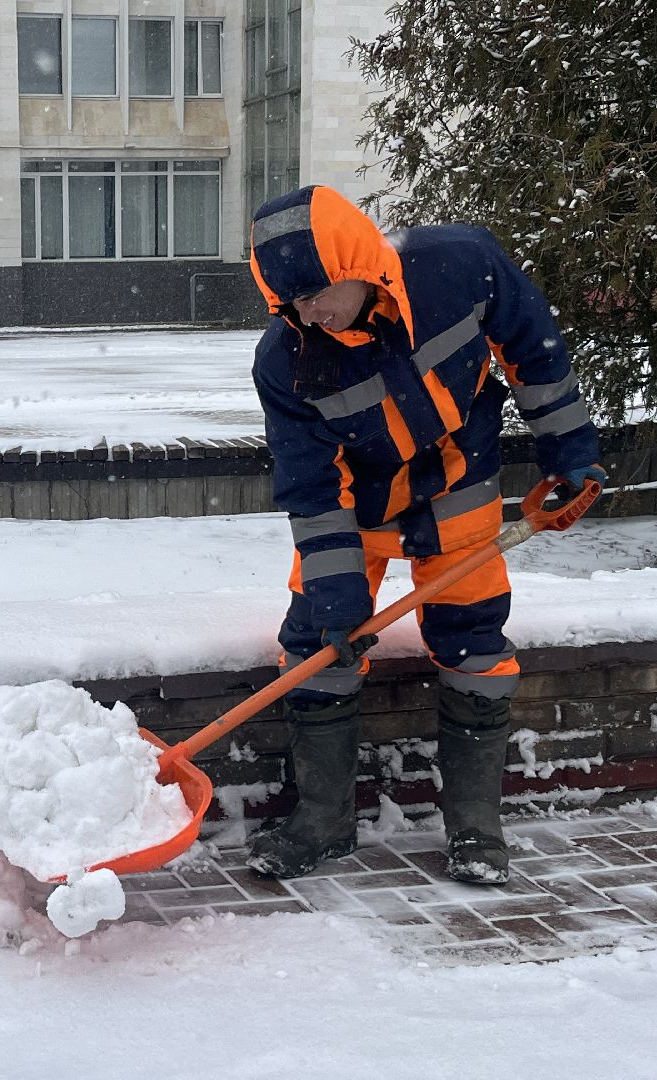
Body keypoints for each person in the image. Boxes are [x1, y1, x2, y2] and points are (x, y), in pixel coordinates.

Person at [245, 185, 606, 884]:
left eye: (314, 295)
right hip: (356, 513)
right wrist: (339, 596)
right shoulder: (286, 358)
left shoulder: (459, 267)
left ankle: (475, 828)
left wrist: (569, 453)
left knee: (473, 643)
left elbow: (534, 352)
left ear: (355, 263)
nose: (305, 314)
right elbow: (311, 487)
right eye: (288, 304)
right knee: (316, 643)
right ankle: (323, 821)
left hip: (458, 485)